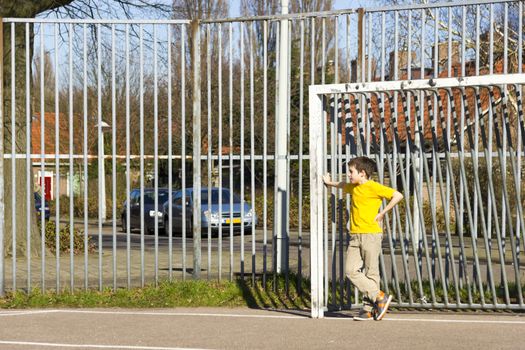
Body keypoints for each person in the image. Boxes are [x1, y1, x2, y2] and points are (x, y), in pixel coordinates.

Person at [323, 156, 403, 321]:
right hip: (355, 235)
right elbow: (342, 185)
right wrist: (329, 182)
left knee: (371, 271)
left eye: (351, 172)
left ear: (362, 173)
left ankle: (368, 309)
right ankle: (379, 296)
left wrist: (383, 213)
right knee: (350, 271)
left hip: (370, 235)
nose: (349, 175)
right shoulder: (353, 187)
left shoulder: (374, 187)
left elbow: (397, 195)